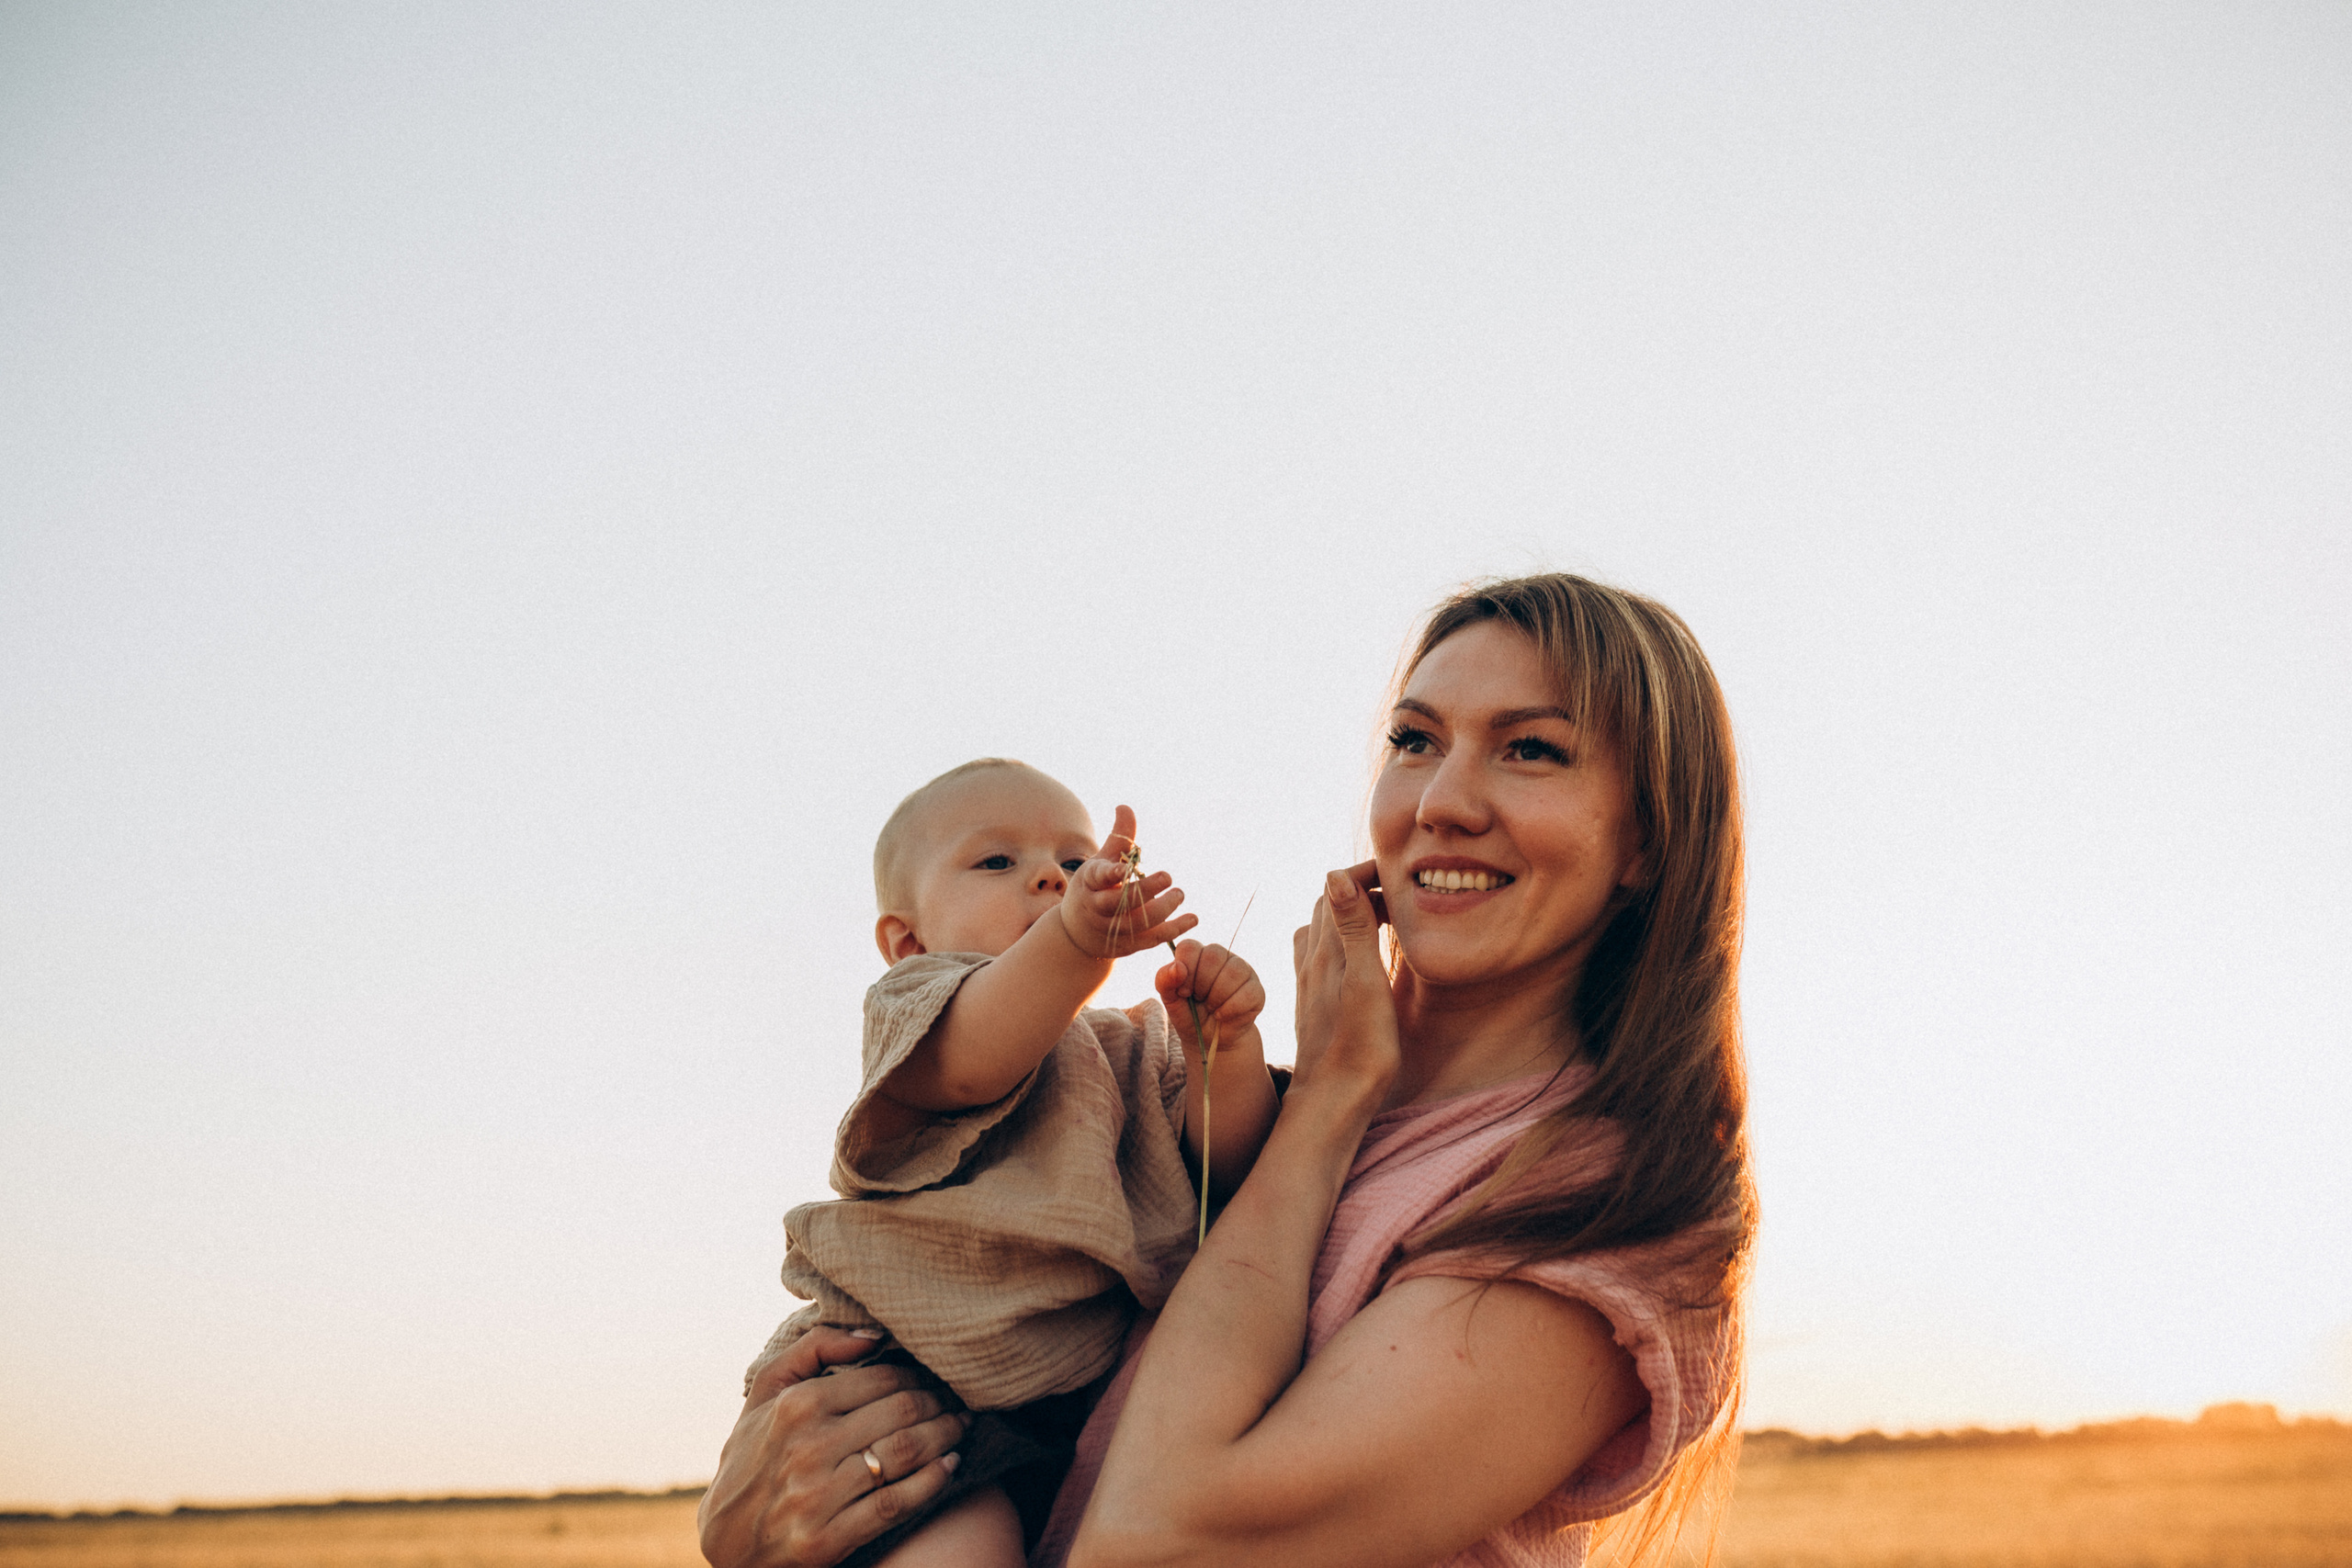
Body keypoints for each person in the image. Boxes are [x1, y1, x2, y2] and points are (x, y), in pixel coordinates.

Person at [700, 574, 1756, 1568]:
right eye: (1413, 740)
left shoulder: (1606, 1205)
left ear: (1647, 841)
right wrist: (765, 1513)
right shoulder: (1247, 1121)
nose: (1442, 800)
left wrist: (1333, 1099)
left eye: (1530, 750)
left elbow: (1160, 1539)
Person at [727, 759, 1283, 1568]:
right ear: (906, 938)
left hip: (1068, 1390)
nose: (1051, 880)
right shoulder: (920, 1007)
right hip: (905, 1372)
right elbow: (974, 1060)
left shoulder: (1135, 1042)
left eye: (1076, 859)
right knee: (961, 1548)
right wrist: (1073, 941)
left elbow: (1224, 1170)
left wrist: (1225, 1053)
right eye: (998, 862)